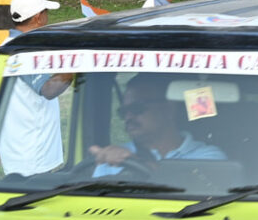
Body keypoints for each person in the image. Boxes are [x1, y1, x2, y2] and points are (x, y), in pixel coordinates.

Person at [0, 0, 74, 176]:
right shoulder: (24, 51)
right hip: (32, 155)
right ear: (39, 18)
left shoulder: (11, 44)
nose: (48, 18)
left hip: (21, 148)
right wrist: (75, 65)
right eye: (46, 13)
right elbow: (48, 89)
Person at [90, 74, 225, 177]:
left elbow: (200, 196)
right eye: (123, 111)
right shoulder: (112, 156)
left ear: (169, 109)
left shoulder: (208, 157)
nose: (128, 117)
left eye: (137, 108)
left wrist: (134, 162)